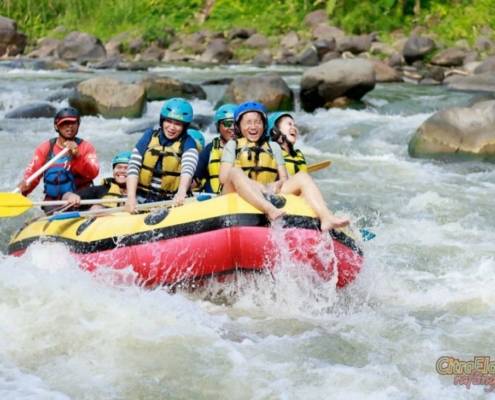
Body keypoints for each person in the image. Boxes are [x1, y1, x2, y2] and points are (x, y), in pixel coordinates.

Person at [219, 101, 349, 231]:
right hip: (237, 192)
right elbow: (224, 178)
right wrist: (254, 184)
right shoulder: (233, 145)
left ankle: (326, 217)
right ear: (238, 126)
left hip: (268, 190)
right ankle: (268, 209)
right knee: (235, 171)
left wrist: (278, 184)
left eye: (258, 122)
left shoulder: (274, 147)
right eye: (248, 122)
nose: (253, 126)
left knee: (302, 176)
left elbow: (284, 178)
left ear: (264, 125)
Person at [125, 97, 199, 213]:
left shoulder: (188, 143)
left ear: (184, 127)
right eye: (168, 121)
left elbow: (188, 168)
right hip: (142, 198)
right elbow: (133, 165)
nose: (171, 127)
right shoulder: (149, 136)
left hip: (170, 200)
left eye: (177, 124)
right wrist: (131, 197)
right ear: (162, 121)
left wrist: (181, 192)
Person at [17, 107, 99, 204]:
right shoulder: (45, 148)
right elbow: (32, 175)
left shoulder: (86, 147)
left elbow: (93, 173)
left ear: (78, 125)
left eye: (73, 123)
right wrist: (25, 188)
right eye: (64, 123)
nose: (69, 126)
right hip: (55, 202)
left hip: (82, 198)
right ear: (56, 126)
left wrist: (77, 155)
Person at [62, 150, 131, 210]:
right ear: (113, 171)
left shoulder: (140, 192)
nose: (122, 171)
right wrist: (70, 196)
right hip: (106, 222)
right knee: (96, 208)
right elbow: (66, 196)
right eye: (119, 167)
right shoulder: (101, 190)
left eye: (126, 168)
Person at [193, 103, 237, 194]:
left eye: (236, 124)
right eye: (227, 123)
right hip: (214, 201)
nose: (232, 128)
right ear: (218, 126)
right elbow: (195, 180)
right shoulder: (209, 150)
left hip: (240, 199)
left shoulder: (247, 147)